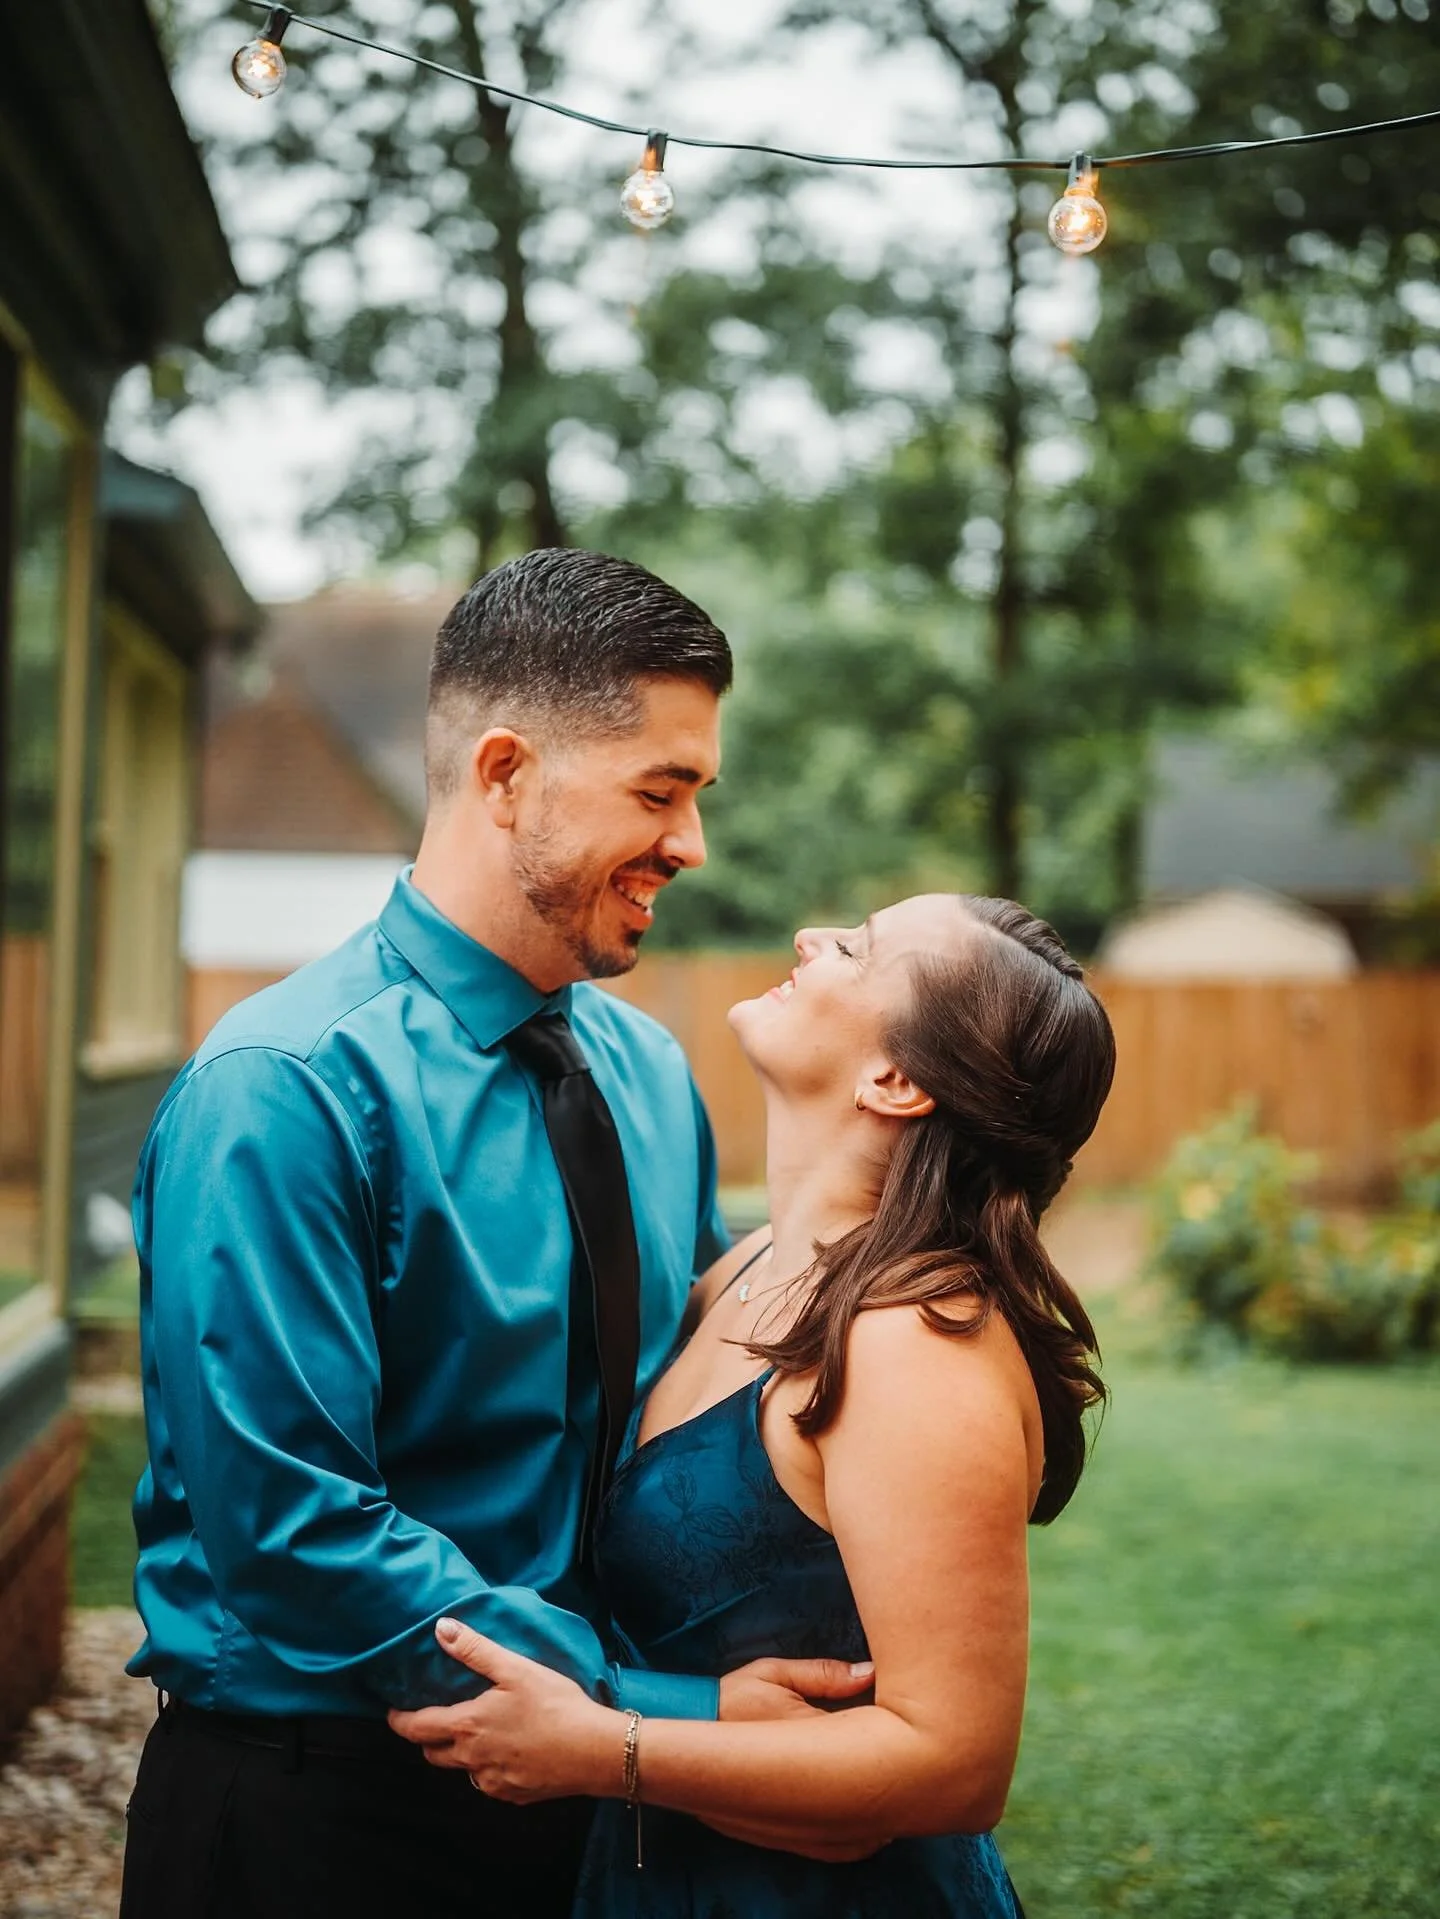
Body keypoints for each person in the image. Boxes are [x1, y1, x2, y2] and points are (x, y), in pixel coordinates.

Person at [119, 549, 871, 1919]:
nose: (692, 844)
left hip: (593, 1811)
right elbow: (291, 1528)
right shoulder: (282, 1090)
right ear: (507, 771)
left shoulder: (651, 1078)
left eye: (697, 793)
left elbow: (688, 1419)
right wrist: (664, 1709)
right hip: (321, 1812)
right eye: (660, 790)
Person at [389, 891, 1118, 1917]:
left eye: (856, 949)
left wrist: (603, 1746)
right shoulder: (747, 1268)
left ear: (895, 1078)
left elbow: (957, 1763)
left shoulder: (913, 1338)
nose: (810, 938)